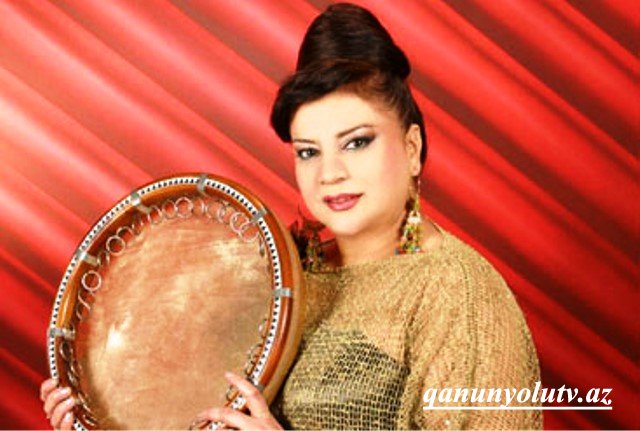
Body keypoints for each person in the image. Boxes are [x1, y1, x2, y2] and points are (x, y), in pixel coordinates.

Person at [41, 3, 541, 430]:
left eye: (357, 142)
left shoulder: (458, 292)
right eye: (308, 152)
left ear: (412, 148)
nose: (330, 173)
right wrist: (99, 412)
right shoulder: (279, 274)